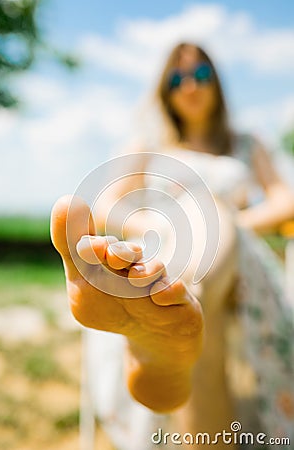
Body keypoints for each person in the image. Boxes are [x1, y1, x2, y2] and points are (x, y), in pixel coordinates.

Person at [50, 43, 294, 449]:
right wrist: (152, 222)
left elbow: (284, 199)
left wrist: (231, 222)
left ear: (215, 83)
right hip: (166, 247)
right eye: (178, 79)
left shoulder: (247, 142)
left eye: (200, 76)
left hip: (238, 260)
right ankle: (179, 317)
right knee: (200, 310)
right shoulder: (148, 144)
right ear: (166, 89)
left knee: (209, 211)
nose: (190, 87)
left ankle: (173, 316)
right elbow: (110, 202)